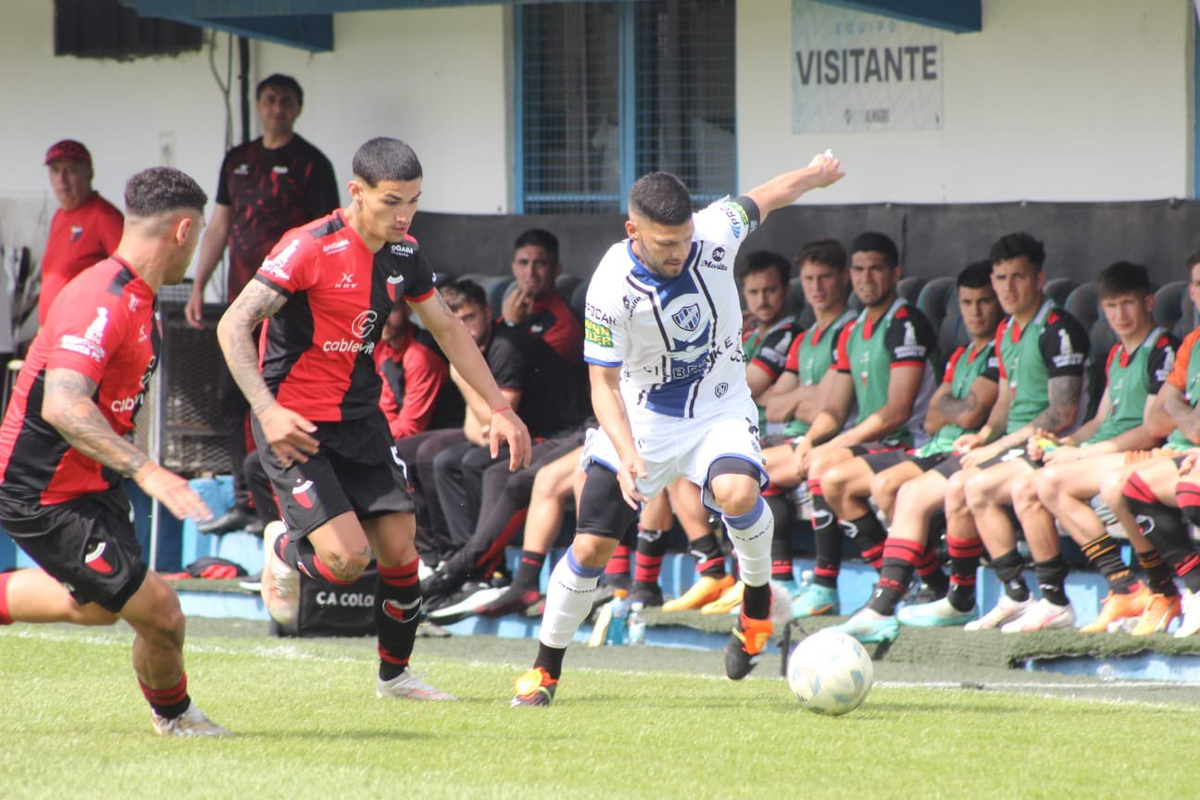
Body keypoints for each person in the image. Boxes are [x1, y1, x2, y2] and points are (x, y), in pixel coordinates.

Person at [510, 150, 845, 707]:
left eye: (683, 239)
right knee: (591, 544)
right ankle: (545, 670)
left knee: (737, 492)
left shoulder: (712, 231)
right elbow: (604, 386)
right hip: (642, 420)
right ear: (632, 231)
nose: (679, 252)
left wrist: (814, 175)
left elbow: (768, 195)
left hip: (718, 407)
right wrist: (627, 451)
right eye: (665, 244)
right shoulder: (609, 288)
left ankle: (757, 604)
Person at [216, 137, 531, 701]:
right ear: (356, 192)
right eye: (391, 201)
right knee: (344, 561)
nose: (404, 214)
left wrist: (499, 407)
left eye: (413, 201)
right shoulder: (305, 248)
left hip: (361, 422)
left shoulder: (406, 253)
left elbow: (449, 329)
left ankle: (396, 677)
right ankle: (283, 551)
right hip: (295, 425)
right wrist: (267, 410)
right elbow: (232, 325)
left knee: (399, 555)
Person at [0, 167, 227, 736]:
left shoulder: (137, 296)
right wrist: (148, 471)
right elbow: (64, 406)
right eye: (198, 237)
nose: (197, 251)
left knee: (104, 606)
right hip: (44, 493)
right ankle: (176, 718)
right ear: (182, 231)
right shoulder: (101, 300)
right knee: (162, 614)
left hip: (89, 484)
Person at [901, 233, 1090, 631]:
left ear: (1039, 279)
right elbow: (1006, 402)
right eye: (1001, 277)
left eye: (1018, 277)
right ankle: (1010, 594)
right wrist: (985, 434)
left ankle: (1048, 598)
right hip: (1014, 445)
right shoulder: (1006, 332)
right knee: (959, 486)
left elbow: (1061, 413)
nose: (1008, 287)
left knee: (973, 487)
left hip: (1053, 447)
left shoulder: (1059, 328)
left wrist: (999, 444)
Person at [189, 74, 340, 536]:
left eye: (287, 101)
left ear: (298, 108)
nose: (277, 107)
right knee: (231, 400)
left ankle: (282, 504)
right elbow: (219, 226)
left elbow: (329, 235)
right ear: (258, 105)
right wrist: (199, 284)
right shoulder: (237, 160)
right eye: (271, 99)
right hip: (241, 306)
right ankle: (244, 501)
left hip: (291, 308)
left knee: (281, 401)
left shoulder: (312, 163)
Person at [820, 262, 999, 642]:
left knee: (893, 489)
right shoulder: (961, 355)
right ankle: (924, 583)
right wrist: (954, 407)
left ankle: (890, 598)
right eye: (967, 302)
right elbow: (935, 416)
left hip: (957, 451)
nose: (976, 311)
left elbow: (972, 411)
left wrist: (953, 408)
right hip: (934, 446)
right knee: (832, 479)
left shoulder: (999, 350)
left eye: (984, 301)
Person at [1001, 262, 1176, 632]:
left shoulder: (1162, 349)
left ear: (1148, 302)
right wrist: (1065, 441)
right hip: (1103, 452)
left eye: (1127, 304)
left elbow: (1150, 431)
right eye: (1111, 307)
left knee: (1044, 484)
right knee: (1030, 485)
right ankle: (1116, 589)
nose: (1119, 315)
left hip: (1142, 455)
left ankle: (1138, 587)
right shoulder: (1115, 354)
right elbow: (1099, 420)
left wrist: (1081, 454)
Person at [787, 232, 938, 619]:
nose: (866, 278)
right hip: (877, 446)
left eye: (875, 269)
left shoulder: (905, 322)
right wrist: (810, 439)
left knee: (826, 470)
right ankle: (888, 581)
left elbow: (897, 411)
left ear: (895, 273)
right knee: (819, 467)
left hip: (912, 443)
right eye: (859, 269)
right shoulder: (853, 331)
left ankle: (830, 583)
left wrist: (837, 444)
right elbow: (834, 408)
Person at [37, 140, 124, 325]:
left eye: (71, 170)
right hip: (50, 331)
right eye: (55, 170)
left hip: (82, 333)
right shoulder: (59, 215)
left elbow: (131, 279)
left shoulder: (104, 217)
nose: (62, 179)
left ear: (89, 173)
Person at [499, 228, 584, 363]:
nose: (530, 272)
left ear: (556, 270)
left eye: (540, 264)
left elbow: (527, 374)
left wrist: (510, 326)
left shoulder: (564, 326)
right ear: (514, 268)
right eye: (523, 263)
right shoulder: (512, 309)